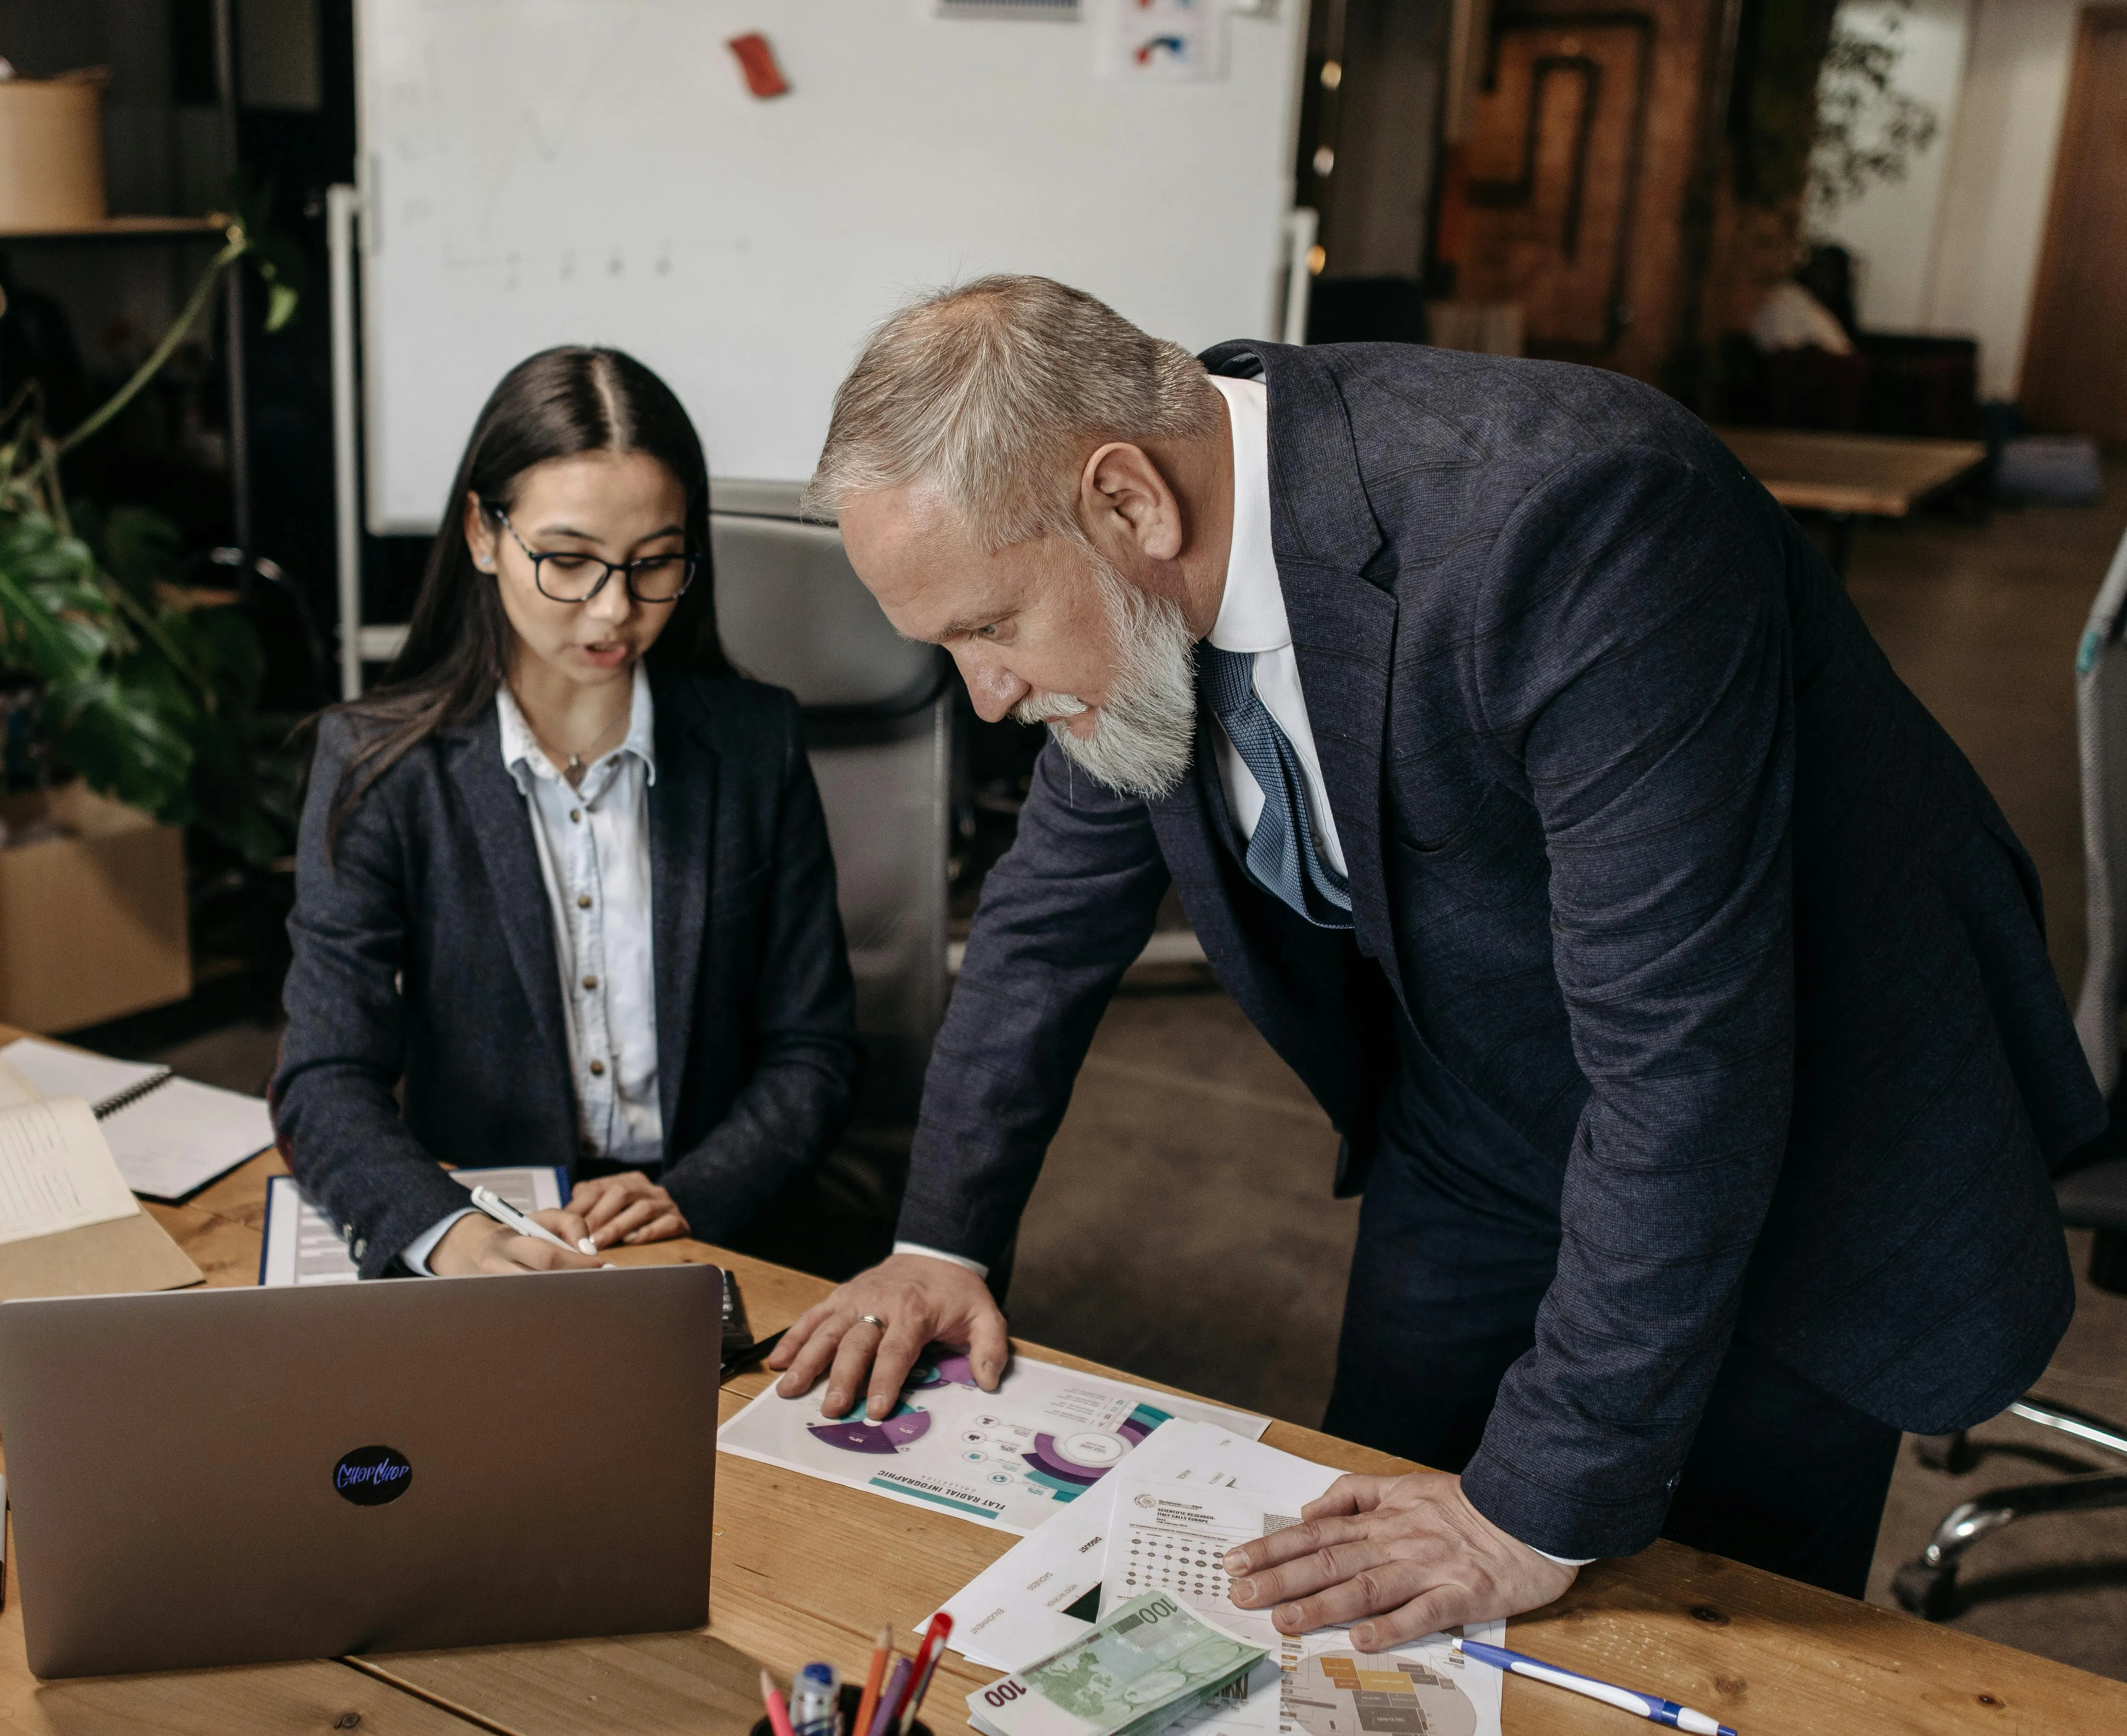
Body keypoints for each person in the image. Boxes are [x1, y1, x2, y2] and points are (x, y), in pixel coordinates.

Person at [768, 277, 2101, 1644]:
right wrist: (939, 1243)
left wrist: (1531, 1507)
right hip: (1483, 1111)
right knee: (1358, 1578)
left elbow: (1685, 1063)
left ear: (1128, 504)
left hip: (1797, 1148)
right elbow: (1045, 922)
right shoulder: (1134, 581)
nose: (988, 696)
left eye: (989, 629)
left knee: (1704, 1625)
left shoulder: (1577, 519)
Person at [273, 346, 863, 1278]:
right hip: (484, 1215)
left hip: (701, 1225)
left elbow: (814, 1049)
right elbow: (322, 1076)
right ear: (481, 532)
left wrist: (696, 1192)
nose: (613, 611)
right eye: (568, 560)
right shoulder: (381, 768)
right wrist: (446, 1230)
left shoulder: (755, 745)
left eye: (655, 563)